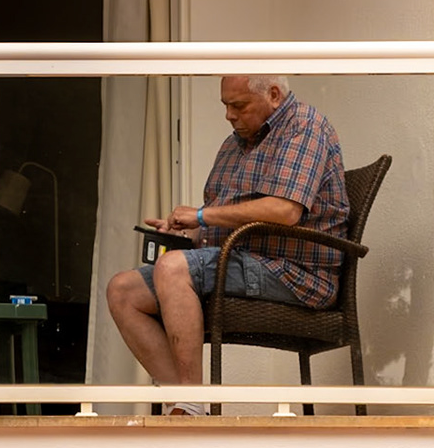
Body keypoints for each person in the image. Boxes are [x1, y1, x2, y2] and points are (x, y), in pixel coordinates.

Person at [104, 74, 347, 415]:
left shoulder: (305, 127)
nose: (229, 115)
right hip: (242, 259)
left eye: (239, 105)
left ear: (274, 95)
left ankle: (189, 404)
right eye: (225, 105)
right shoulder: (233, 145)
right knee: (122, 290)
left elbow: (285, 210)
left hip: (294, 274)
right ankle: (186, 403)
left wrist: (201, 216)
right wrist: (187, 234)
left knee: (173, 268)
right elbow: (225, 222)